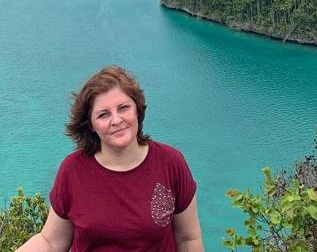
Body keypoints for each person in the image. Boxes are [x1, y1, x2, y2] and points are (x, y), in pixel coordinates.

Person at [16, 66, 205, 252]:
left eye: (123, 108)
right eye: (103, 114)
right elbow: (51, 242)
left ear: (137, 110)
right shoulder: (73, 170)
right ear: (90, 124)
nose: (116, 120)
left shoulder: (170, 163)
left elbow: (188, 239)